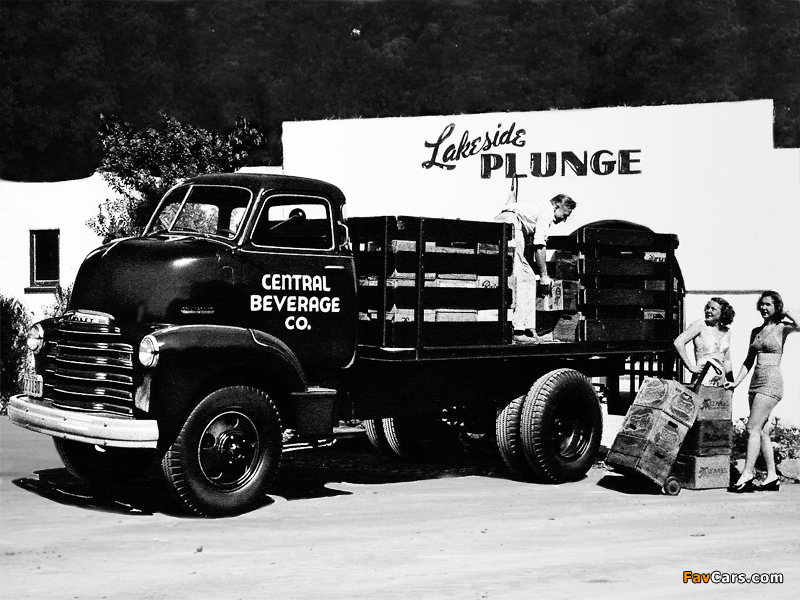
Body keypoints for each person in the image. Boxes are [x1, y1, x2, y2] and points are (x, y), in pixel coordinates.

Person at [725, 290, 799, 493]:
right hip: (755, 384)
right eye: (762, 304)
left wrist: (788, 311)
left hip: (771, 384)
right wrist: (736, 383)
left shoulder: (783, 328)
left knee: (752, 428)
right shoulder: (756, 331)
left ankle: (747, 474)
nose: (764, 308)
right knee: (763, 431)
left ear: (777, 307)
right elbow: (748, 361)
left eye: (768, 304)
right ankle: (772, 477)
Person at [495, 184, 576, 344]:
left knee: (523, 277)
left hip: (507, 225)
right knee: (525, 278)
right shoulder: (546, 210)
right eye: (565, 214)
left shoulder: (535, 210)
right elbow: (540, 244)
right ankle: (519, 331)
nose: (564, 219)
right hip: (511, 226)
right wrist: (544, 276)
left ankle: (528, 330)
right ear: (557, 205)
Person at [673, 297, 735, 387]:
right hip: (703, 380)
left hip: (720, 383)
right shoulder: (700, 325)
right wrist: (690, 367)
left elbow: (727, 360)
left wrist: (731, 382)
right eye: (707, 308)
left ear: (722, 313)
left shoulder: (727, 331)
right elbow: (678, 342)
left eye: (713, 309)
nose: (708, 311)